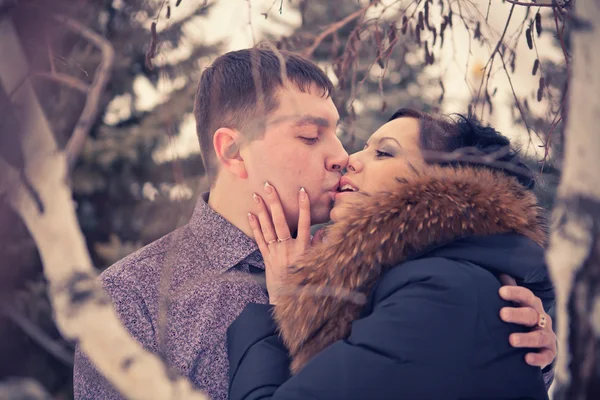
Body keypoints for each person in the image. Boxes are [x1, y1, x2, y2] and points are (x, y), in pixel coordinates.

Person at [73, 48, 556, 399]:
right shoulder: (132, 295)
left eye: (341, 136)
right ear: (233, 152)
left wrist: (527, 346)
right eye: (310, 137)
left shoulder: (374, 264)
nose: (342, 157)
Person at [227, 109, 555, 400]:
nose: (350, 158)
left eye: (383, 153)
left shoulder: (443, 293)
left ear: (446, 185)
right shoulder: (421, 285)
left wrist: (279, 303)